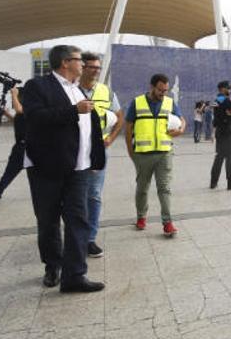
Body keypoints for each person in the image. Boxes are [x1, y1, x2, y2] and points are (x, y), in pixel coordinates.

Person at [22, 45, 106, 293]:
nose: (84, 65)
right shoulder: (38, 86)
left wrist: (95, 158)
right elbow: (35, 118)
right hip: (47, 167)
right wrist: (74, 111)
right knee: (48, 221)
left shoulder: (77, 89)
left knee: (78, 220)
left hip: (78, 168)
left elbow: (87, 127)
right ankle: (53, 266)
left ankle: (75, 275)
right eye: (80, 61)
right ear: (65, 62)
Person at [124, 74, 185, 236]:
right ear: (151, 86)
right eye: (160, 90)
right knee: (142, 188)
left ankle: (167, 223)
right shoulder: (137, 103)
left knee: (164, 188)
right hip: (143, 154)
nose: (163, 93)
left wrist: (181, 129)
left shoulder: (170, 102)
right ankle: (141, 216)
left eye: (166, 90)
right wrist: (131, 151)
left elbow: (181, 119)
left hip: (165, 153)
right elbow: (128, 127)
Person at [79, 52, 124, 259]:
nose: (96, 70)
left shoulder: (106, 92)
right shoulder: (70, 90)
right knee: (74, 194)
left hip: (98, 151)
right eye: (92, 67)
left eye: (98, 67)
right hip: (74, 150)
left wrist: (111, 139)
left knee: (94, 195)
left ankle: (89, 239)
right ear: (82, 67)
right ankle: (74, 234)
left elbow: (120, 117)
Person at [210, 80, 231, 190]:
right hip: (226, 132)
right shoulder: (226, 100)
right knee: (230, 157)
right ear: (222, 89)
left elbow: (218, 113)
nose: (230, 90)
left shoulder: (216, 100)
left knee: (219, 157)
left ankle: (213, 182)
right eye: (228, 88)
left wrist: (230, 112)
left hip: (219, 131)